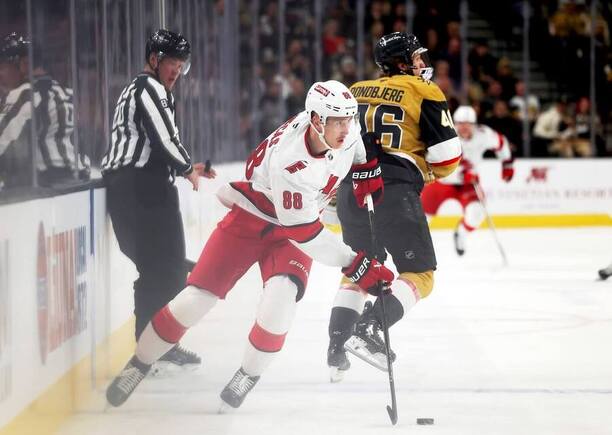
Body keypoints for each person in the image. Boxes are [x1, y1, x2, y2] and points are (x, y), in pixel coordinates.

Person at [105, 79, 395, 410]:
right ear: (316, 120)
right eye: (338, 121)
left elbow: (355, 146)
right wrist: (356, 264)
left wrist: (365, 168)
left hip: (294, 225)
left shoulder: (341, 128)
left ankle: (248, 373)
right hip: (255, 218)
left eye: (350, 119)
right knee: (195, 299)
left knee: (280, 303)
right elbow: (305, 233)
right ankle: (140, 363)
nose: (347, 127)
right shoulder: (291, 161)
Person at [326, 32, 462, 380]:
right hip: (394, 189)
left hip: (350, 189)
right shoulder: (424, 91)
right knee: (421, 275)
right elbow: (448, 158)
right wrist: (422, 172)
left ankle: (336, 345)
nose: (422, 64)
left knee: (359, 269)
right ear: (402, 63)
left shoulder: (354, 91)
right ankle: (371, 327)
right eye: (416, 58)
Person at [101, 29, 215, 373]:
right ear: (154, 59)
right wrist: (185, 167)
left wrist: (184, 167)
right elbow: (163, 137)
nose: (177, 71)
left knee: (162, 269)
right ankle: (151, 348)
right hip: (140, 188)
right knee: (162, 270)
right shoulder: (149, 87)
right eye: (172, 63)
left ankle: (155, 346)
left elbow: (157, 142)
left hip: (139, 186)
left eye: (182, 65)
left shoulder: (143, 89)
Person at [0, 33, 89, 191]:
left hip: (46, 184)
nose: (0, 74)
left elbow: (3, 140)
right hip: (78, 182)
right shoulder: (66, 92)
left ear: (24, 64)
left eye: (3, 67)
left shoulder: (25, 93)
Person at [421, 105, 514, 256]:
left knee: (477, 213)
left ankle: (461, 234)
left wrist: (507, 163)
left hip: (468, 184)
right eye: (460, 123)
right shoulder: (445, 136)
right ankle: (417, 247)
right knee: (423, 218)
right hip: (441, 181)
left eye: (468, 124)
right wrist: (460, 175)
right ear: (453, 123)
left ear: (474, 124)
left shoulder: (483, 134)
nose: (464, 127)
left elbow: (501, 143)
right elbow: (434, 162)